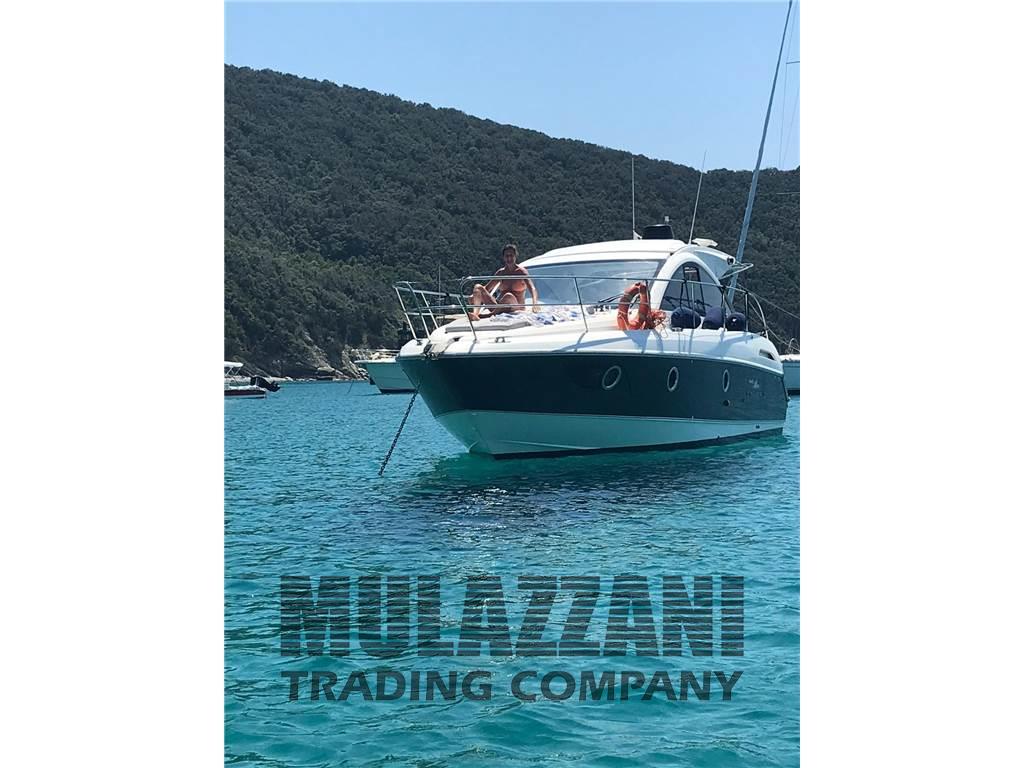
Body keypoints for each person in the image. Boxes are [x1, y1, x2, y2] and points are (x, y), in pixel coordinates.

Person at [468, 244, 539, 321]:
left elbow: (532, 288)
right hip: (499, 307)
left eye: (511, 255)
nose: (509, 258)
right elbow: (487, 288)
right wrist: (474, 295)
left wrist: (535, 303)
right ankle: (475, 314)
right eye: (507, 256)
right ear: (504, 257)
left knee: (508, 296)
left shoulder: (521, 272)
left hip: (516, 307)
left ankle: (489, 315)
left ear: (515, 256)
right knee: (478, 287)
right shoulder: (501, 273)